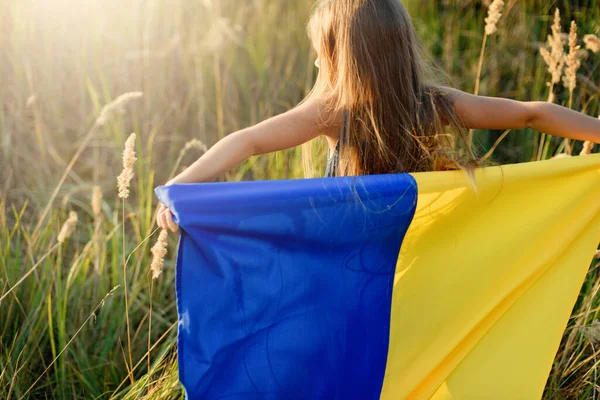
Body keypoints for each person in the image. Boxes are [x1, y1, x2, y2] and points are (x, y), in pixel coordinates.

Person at [156, 0, 600, 233]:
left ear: (340, 60)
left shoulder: (330, 111)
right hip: (411, 242)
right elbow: (530, 114)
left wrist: (179, 187)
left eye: (319, 56)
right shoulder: (431, 104)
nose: (315, 65)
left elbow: (247, 141)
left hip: (352, 250)